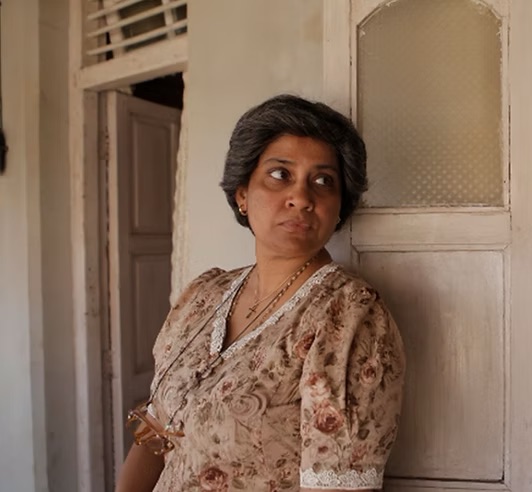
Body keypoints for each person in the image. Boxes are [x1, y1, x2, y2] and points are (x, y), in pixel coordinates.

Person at [115, 94, 406, 492]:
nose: (301, 198)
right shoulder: (204, 296)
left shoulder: (347, 316)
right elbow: (154, 435)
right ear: (242, 194)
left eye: (323, 181)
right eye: (280, 174)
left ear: (340, 207)